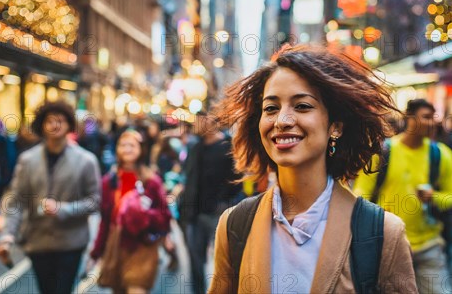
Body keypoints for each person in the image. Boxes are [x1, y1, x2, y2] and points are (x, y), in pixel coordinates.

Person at [209, 45, 417, 293]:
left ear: (335, 127)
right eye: (271, 108)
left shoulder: (383, 234)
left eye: (302, 106)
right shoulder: (234, 224)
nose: (282, 121)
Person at [354, 99, 452, 294]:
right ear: (409, 118)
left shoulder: (441, 155)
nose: (431, 123)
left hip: (429, 245)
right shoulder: (382, 153)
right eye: (425, 118)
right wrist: (375, 215)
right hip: (388, 246)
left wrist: (434, 197)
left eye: (432, 118)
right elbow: (360, 196)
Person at [0, 101, 101, 294]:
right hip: (37, 242)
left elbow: (94, 202)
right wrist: (6, 236)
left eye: (60, 120)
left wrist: (63, 209)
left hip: (71, 242)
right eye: (50, 121)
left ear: (69, 125)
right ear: (42, 125)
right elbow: (16, 200)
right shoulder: (27, 160)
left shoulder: (86, 161)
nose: (55, 125)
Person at [89, 129, 172, 293]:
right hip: (116, 244)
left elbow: (165, 217)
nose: (127, 149)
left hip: (143, 247)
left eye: (132, 145)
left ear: (141, 149)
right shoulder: (109, 182)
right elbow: (105, 220)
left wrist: (143, 215)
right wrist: (96, 253)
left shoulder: (151, 181)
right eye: (123, 144)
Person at [180, 111, 243, 294]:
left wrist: (224, 202)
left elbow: (237, 178)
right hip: (194, 213)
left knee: (223, 261)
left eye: (201, 120)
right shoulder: (195, 146)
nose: (197, 124)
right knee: (195, 260)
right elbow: (189, 177)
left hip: (218, 213)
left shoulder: (227, 145)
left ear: (212, 121)